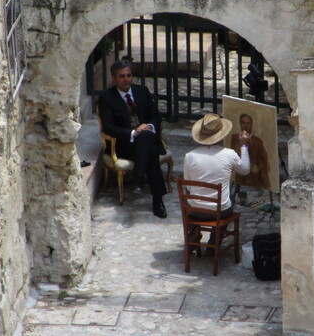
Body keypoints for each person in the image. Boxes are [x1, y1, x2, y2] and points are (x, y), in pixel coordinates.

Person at [99, 58, 168, 218]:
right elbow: (108, 127)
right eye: (122, 76)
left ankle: (139, 177)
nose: (126, 79)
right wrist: (133, 133)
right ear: (114, 78)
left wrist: (149, 126)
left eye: (129, 75)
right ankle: (157, 200)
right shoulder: (106, 98)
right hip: (124, 144)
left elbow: (156, 116)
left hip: (146, 138)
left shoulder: (141, 91)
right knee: (149, 147)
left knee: (147, 139)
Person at [184, 113, 251, 250]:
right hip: (220, 211)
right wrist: (243, 146)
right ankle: (214, 241)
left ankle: (193, 231)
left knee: (189, 195)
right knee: (228, 199)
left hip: (195, 210)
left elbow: (188, 186)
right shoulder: (229, 154)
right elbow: (245, 170)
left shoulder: (189, 156)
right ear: (221, 134)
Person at [229, 113, 270, 190]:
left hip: (255, 176)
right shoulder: (235, 138)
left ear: (251, 125)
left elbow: (264, 159)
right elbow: (233, 155)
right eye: (243, 122)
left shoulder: (258, 141)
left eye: (248, 123)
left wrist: (258, 167)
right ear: (240, 124)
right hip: (241, 174)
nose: (245, 125)